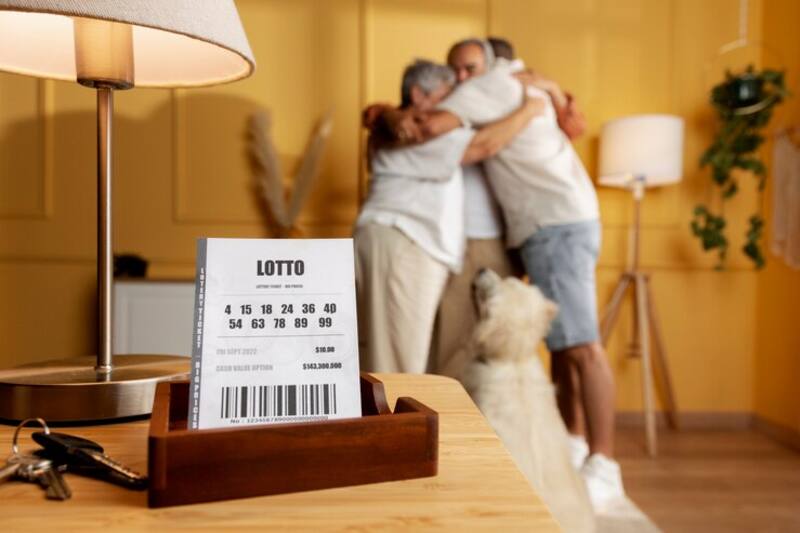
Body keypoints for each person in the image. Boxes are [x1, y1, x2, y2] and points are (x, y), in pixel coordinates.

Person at [371, 39, 624, 511]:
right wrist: (387, 112)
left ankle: (603, 464)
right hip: (524, 231)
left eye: (468, 69)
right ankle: (573, 447)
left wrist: (538, 101)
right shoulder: (505, 92)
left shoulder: (495, 88)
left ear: (493, 65)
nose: (460, 80)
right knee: (561, 345)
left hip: (549, 225)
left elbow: (471, 140)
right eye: (454, 72)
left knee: (578, 345)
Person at [354, 59, 543, 375]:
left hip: (395, 241)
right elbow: (485, 145)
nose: (455, 106)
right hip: (404, 242)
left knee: (386, 355)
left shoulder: (392, 125)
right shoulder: (411, 130)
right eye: (448, 96)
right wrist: (530, 109)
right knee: (398, 365)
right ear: (419, 95)